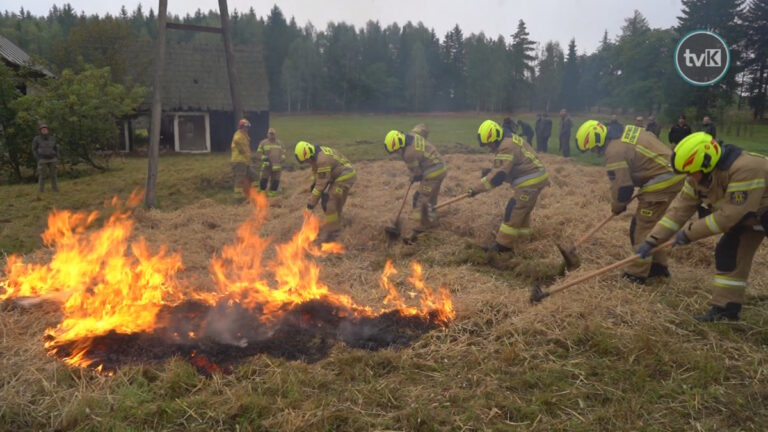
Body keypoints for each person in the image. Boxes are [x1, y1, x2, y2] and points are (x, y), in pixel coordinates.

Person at [636, 132, 768, 322]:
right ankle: (726, 309)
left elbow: (728, 217)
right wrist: (652, 240)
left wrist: (688, 234)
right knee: (728, 253)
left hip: (755, 212)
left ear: (707, 162)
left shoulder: (746, 168)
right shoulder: (696, 177)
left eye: (693, 173)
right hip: (750, 217)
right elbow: (678, 212)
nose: (690, 178)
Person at [575, 120, 685, 283]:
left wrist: (618, 206)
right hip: (672, 173)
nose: (595, 152)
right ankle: (657, 267)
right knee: (652, 225)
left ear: (597, 140)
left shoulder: (614, 151)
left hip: (662, 180)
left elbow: (623, 187)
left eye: (593, 148)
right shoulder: (626, 131)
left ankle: (636, 275)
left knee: (640, 228)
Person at [466, 119, 550, 253]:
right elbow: (508, 168)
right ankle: (522, 241)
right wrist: (491, 172)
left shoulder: (506, 146)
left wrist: (475, 190)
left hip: (530, 182)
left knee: (514, 209)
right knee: (523, 212)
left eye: (490, 144)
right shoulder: (509, 138)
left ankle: (502, 246)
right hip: (535, 177)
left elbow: (498, 177)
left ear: (495, 138)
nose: (490, 148)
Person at [384, 129, 447, 237]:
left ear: (400, 145)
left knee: (421, 199)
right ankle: (432, 220)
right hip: (440, 167)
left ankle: (423, 227)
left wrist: (412, 178)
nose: (397, 153)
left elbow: (417, 173)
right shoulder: (413, 134)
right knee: (430, 198)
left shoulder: (409, 154)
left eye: (396, 151)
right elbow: (423, 128)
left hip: (432, 175)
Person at [295, 141, 356, 241]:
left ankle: (333, 233)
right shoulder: (315, 155)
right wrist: (313, 187)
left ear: (309, 155)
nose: (307, 163)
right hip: (337, 174)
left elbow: (321, 185)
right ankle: (336, 222)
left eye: (306, 160)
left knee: (330, 201)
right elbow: (317, 177)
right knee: (326, 201)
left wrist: (310, 205)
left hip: (345, 175)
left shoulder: (322, 160)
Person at [230, 118, 255, 199]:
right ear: (241, 127)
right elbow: (237, 141)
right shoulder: (238, 135)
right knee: (240, 179)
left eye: (248, 127)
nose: (247, 129)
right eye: (245, 127)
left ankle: (255, 194)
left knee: (254, 176)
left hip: (245, 161)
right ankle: (238, 198)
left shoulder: (245, 136)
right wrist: (242, 151)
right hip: (239, 161)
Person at [256, 127, 285, 197]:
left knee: (275, 181)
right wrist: (264, 158)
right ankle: (262, 195)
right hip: (267, 166)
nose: (272, 135)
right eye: (270, 134)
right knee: (264, 179)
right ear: (267, 134)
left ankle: (272, 196)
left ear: (275, 134)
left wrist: (282, 158)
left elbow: (283, 153)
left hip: (277, 167)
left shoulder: (280, 143)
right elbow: (258, 154)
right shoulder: (263, 143)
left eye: (273, 134)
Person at [32, 124, 59, 193]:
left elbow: (56, 148)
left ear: (48, 130)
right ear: (40, 131)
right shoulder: (36, 139)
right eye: (42, 129)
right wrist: (38, 159)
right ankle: (41, 191)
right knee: (42, 175)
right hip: (42, 159)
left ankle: (55, 190)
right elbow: (34, 149)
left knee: (53, 175)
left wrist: (57, 156)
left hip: (53, 158)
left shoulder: (52, 138)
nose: (44, 130)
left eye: (45, 129)